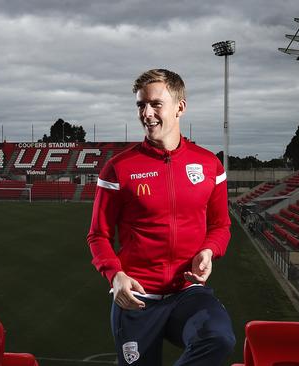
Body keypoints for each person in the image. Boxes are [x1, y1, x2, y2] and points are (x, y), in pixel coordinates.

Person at [87, 69, 235, 366]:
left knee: (219, 338)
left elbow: (221, 226)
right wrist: (115, 276)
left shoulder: (209, 165)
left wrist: (209, 250)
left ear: (180, 107)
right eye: (141, 105)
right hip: (137, 298)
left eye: (156, 104)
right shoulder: (118, 168)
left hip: (188, 294)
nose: (146, 113)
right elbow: (98, 236)